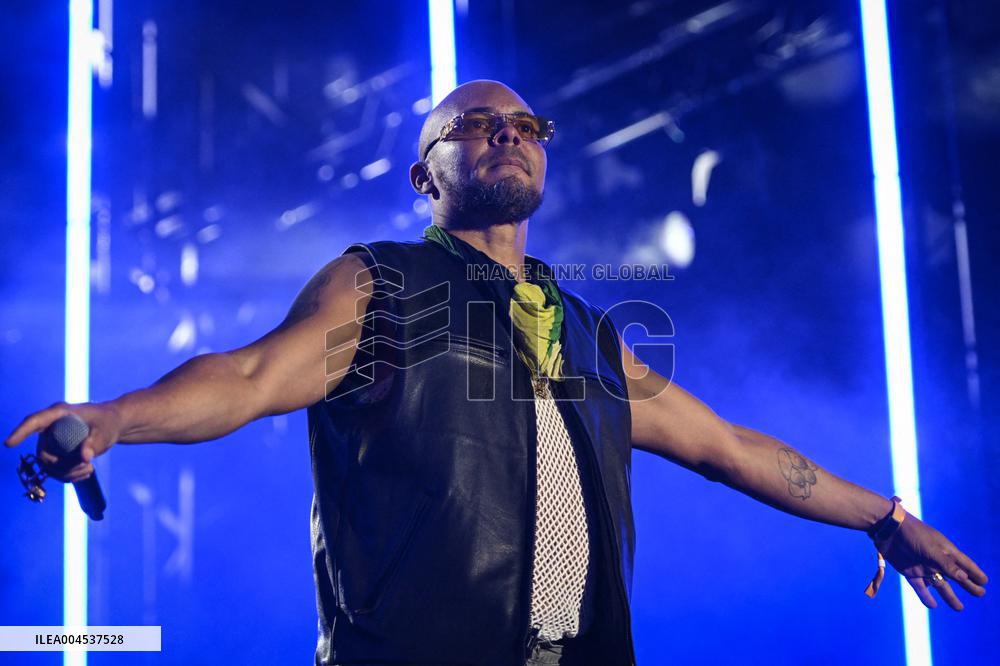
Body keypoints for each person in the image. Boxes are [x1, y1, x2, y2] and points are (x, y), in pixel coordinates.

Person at [5, 80, 988, 666]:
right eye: (473, 125)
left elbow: (730, 448)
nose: (506, 131)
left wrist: (882, 517)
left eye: (523, 124)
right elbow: (252, 375)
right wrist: (119, 417)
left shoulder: (589, 334)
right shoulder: (380, 283)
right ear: (423, 176)